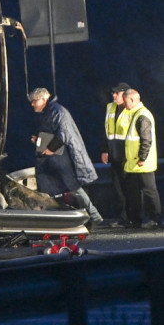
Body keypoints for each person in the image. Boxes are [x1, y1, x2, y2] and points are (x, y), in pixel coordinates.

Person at [29, 88, 104, 226]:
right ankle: (54, 219)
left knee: (72, 187)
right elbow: (51, 133)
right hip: (51, 158)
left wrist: (52, 148)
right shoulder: (49, 112)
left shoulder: (57, 111)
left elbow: (64, 132)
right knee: (54, 189)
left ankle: (94, 215)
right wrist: (39, 139)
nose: (32, 104)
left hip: (59, 158)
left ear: (43, 99)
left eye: (34, 101)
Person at [122, 89, 161, 229]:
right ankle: (137, 218)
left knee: (149, 191)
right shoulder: (136, 114)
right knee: (134, 191)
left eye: (125, 101)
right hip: (135, 162)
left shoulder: (142, 115)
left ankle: (155, 218)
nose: (124, 104)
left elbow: (146, 139)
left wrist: (142, 157)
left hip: (141, 163)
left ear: (132, 99)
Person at [99, 83, 133, 227]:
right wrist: (105, 150)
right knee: (118, 188)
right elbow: (106, 131)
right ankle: (123, 217)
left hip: (128, 155)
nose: (113, 95)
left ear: (125, 95)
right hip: (114, 154)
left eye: (117, 93)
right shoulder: (110, 107)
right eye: (113, 93)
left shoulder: (132, 110)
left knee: (129, 188)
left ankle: (132, 217)